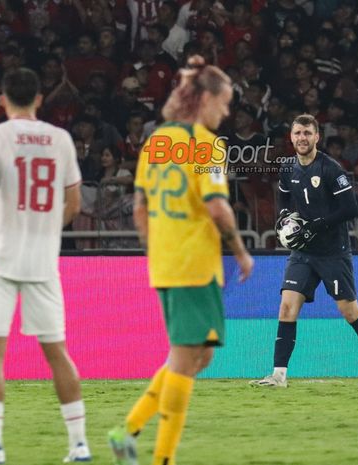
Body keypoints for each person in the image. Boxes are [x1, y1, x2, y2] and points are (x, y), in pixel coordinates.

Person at [107, 55, 254, 465]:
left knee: (197, 356)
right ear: (204, 99)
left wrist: (156, 247)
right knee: (187, 359)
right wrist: (241, 253)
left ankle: (126, 431)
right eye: (223, 103)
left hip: (166, 261)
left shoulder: (155, 141)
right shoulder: (205, 145)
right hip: (193, 263)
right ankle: (161, 457)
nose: (225, 112)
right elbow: (218, 208)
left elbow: (139, 206)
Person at [0, 68, 90, 463]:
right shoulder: (60, 139)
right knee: (58, 353)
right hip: (42, 260)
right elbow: (74, 204)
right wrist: (43, 230)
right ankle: (79, 445)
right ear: (39, 99)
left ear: (1, 100)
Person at [250, 114, 358, 389]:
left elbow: (351, 208)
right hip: (303, 252)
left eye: (307, 133)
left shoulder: (330, 169)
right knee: (287, 307)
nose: (302, 138)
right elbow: (284, 197)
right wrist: (284, 218)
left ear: (317, 137)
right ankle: (278, 375)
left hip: (332, 252)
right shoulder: (288, 168)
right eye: (298, 133)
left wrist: (316, 225)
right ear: (291, 138)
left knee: (349, 311)